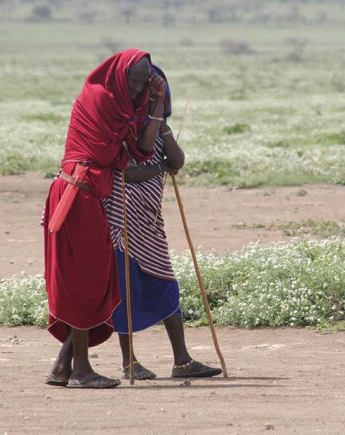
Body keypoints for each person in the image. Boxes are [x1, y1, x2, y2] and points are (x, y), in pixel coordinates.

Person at [43, 49, 168, 388]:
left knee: (94, 280)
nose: (137, 89)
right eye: (133, 81)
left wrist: (156, 105)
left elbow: (140, 148)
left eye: (143, 83)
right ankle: (81, 371)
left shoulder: (126, 108)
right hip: (76, 194)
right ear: (118, 75)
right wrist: (139, 157)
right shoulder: (100, 98)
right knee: (84, 283)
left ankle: (61, 368)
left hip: (90, 196)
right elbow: (117, 158)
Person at [102, 65, 222, 380]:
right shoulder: (123, 126)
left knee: (166, 284)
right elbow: (128, 169)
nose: (157, 95)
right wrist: (159, 169)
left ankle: (181, 360)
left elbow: (177, 161)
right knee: (125, 291)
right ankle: (129, 362)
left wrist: (160, 116)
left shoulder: (157, 124)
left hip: (150, 222)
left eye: (160, 91)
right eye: (150, 90)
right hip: (122, 220)